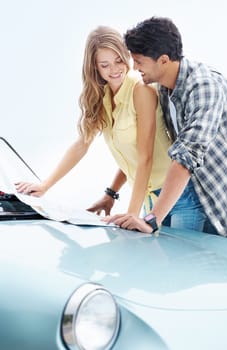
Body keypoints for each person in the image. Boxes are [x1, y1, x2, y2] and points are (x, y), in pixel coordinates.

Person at [104, 16, 227, 248]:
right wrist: (112, 192)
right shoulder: (163, 88)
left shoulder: (204, 87)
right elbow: (142, 147)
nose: (134, 68)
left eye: (139, 61)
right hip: (214, 198)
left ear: (163, 60)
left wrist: (152, 219)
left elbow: (186, 156)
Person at [15, 26, 172, 219]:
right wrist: (45, 186)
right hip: (149, 199)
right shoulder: (102, 97)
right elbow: (83, 144)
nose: (114, 70)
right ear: (95, 67)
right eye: (105, 65)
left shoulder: (141, 90)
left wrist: (131, 215)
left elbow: (145, 157)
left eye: (118, 60)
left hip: (177, 195)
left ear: (126, 56)